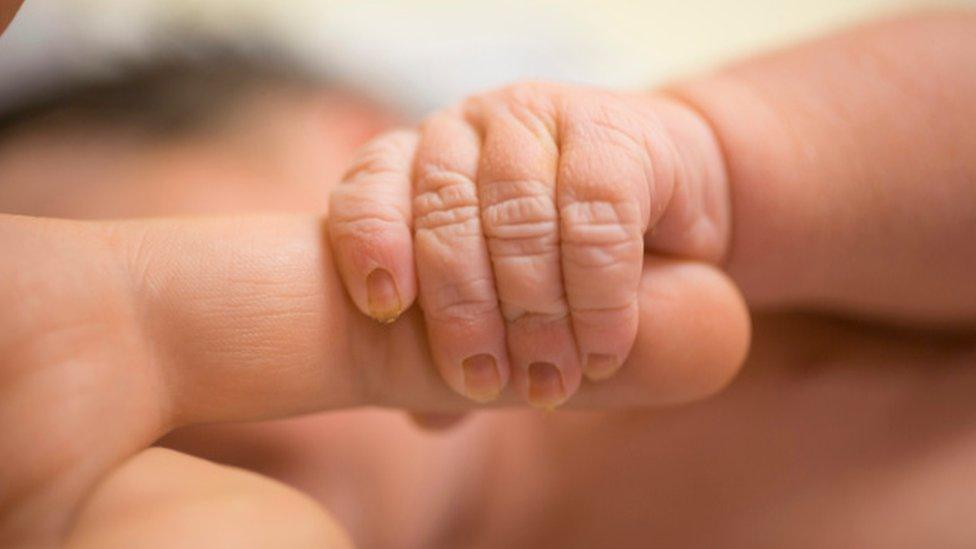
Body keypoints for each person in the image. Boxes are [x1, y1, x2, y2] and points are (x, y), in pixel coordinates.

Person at [0, 4, 973, 548]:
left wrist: (730, 159)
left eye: (109, 242)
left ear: (360, 138)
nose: (130, 420)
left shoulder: (671, 265)